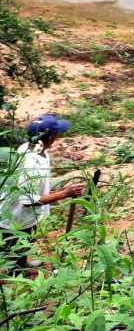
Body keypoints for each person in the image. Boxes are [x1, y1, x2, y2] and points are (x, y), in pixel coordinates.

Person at [1, 115, 84, 271]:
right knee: (14, 248)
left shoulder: (35, 148)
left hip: (27, 216)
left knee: (25, 243)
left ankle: (22, 264)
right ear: (51, 137)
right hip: (15, 216)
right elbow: (28, 201)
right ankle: (17, 277)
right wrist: (64, 193)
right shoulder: (28, 164)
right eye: (57, 134)